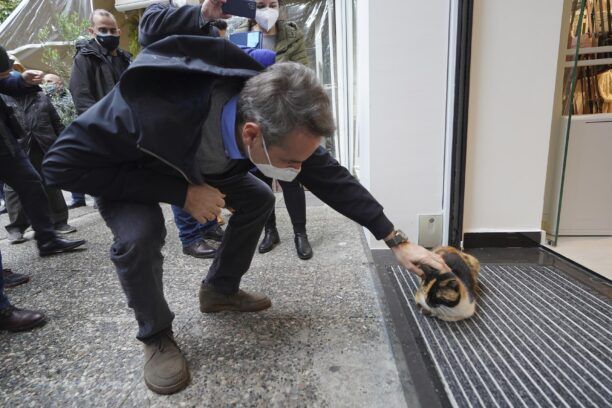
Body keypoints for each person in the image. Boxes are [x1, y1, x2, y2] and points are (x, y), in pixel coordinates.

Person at [42, 1, 449, 395]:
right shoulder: (140, 110)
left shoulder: (271, 105)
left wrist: (396, 239)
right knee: (139, 234)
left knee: (257, 198)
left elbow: (331, 177)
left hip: (199, 163)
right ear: (252, 134)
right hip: (131, 168)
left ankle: (219, 289)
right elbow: (58, 166)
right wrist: (180, 192)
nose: (296, 170)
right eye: (290, 161)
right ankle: (156, 335)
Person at [234, 0, 313, 260]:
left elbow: (304, 73)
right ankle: (271, 231)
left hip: (286, 115)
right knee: (262, 181)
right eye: (260, 4)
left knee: (290, 177)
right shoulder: (239, 35)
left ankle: (300, 233)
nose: (267, 8)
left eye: (272, 3)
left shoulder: (291, 33)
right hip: (255, 117)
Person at [68, 9, 132, 209]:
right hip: (103, 130)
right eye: (103, 29)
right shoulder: (84, 59)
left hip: (127, 129)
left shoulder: (125, 58)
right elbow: (81, 98)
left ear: (119, 31)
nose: (109, 34)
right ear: (92, 31)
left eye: (112, 30)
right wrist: (103, 124)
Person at [2, 74, 77, 242]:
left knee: (50, 182)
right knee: (14, 189)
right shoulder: (5, 97)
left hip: (44, 143)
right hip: (18, 148)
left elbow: (56, 122)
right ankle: (16, 227)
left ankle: (59, 222)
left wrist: (63, 142)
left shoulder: (41, 96)